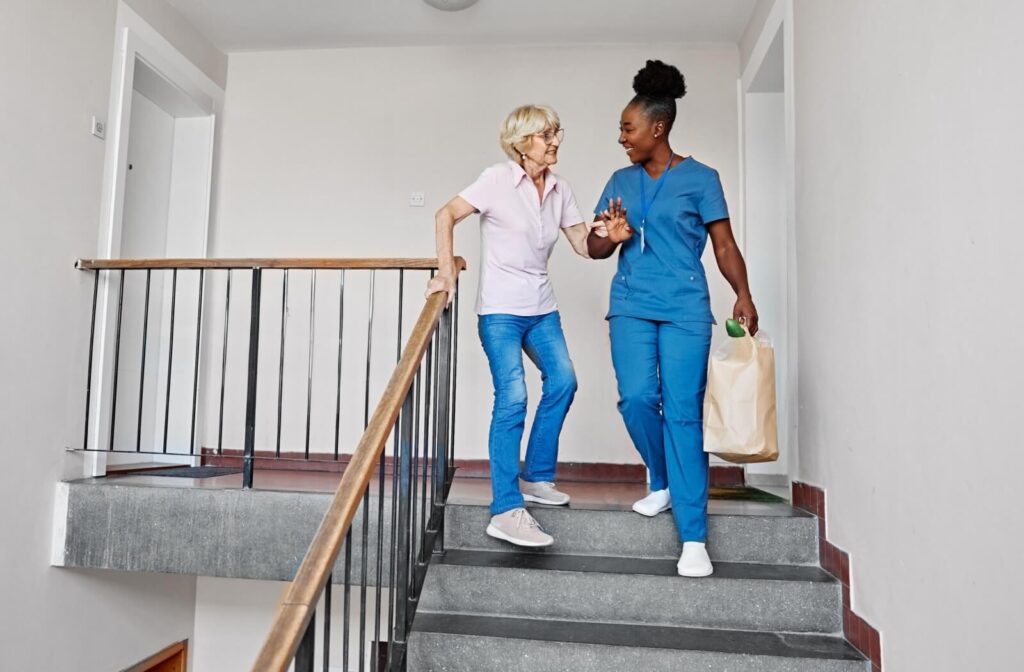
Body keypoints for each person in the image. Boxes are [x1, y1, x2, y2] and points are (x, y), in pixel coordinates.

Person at [588, 60, 759, 577]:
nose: (621, 137)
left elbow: (724, 245)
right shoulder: (620, 179)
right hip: (631, 304)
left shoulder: (701, 178)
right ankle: (661, 480)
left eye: (627, 127)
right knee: (637, 397)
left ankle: (693, 537)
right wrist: (609, 238)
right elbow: (595, 246)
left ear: (656, 128)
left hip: (685, 308)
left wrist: (743, 294)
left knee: (683, 411)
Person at [427, 104, 592, 548]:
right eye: (545, 135)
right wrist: (446, 272)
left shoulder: (560, 189)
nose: (555, 141)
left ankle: (536, 477)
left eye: (557, 132)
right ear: (522, 143)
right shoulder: (497, 179)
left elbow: (582, 244)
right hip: (500, 310)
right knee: (514, 395)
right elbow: (445, 215)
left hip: (542, 308)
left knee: (563, 381)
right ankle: (505, 508)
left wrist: (611, 236)